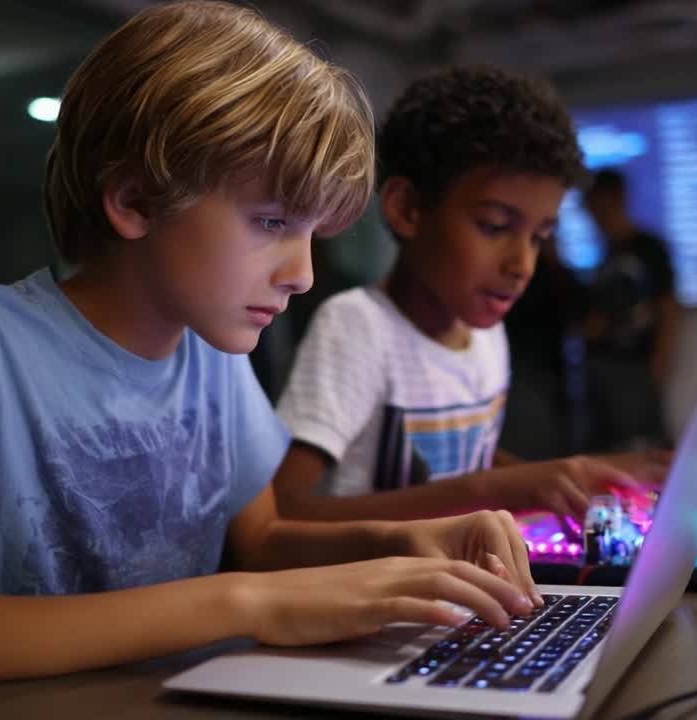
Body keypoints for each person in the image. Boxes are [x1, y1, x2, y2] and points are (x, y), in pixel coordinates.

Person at [0, 2, 540, 701]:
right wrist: (246, 604)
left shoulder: (212, 348)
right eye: (271, 221)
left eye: (312, 232)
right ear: (137, 199)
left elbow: (260, 539)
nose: (303, 273)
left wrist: (406, 545)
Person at [272, 65, 664, 527]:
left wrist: (572, 480)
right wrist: (486, 492)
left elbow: (464, 459)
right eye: (495, 227)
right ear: (407, 210)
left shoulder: (487, 334)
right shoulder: (358, 328)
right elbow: (284, 511)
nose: (522, 264)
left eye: (539, 237)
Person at [579, 168, 677, 451]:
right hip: (603, 366)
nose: (591, 213)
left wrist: (661, 358)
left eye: (594, 203)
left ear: (611, 200)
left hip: (635, 365)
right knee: (610, 443)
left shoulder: (648, 248)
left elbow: (667, 305)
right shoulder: (606, 253)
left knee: (640, 444)